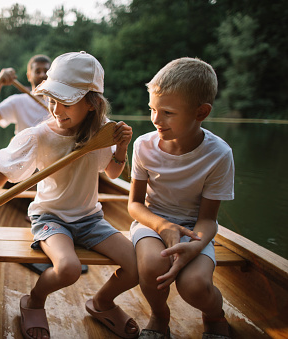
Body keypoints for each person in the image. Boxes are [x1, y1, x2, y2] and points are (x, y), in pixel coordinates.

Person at [0, 52, 139, 339]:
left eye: (66, 102)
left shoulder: (102, 131)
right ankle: (34, 300)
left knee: (137, 266)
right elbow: (1, 174)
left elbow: (112, 172)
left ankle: (102, 303)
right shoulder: (38, 135)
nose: (56, 109)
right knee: (69, 268)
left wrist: (122, 148)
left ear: (91, 104)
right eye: (51, 99)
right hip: (50, 217)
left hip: (90, 218)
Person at [128, 57, 234, 339]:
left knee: (195, 286)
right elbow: (135, 205)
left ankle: (214, 316)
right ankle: (160, 315)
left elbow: (209, 219)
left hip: (194, 229)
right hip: (152, 223)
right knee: (152, 266)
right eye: (152, 109)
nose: (155, 120)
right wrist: (162, 226)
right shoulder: (143, 146)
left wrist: (194, 245)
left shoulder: (219, 154)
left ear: (201, 112)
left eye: (168, 112)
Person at [0, 54, 51, 134]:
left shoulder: (60, 103)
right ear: (29, 76)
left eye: (46, 71)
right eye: (37, 71)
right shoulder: (18, 101)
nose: (42, 75)